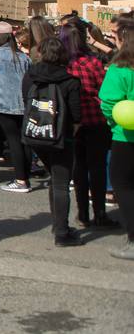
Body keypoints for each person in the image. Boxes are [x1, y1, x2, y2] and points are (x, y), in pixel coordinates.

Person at [21, 35, 83, 246]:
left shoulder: (30, 76)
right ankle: (62, 232)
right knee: (61, 183)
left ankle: (58, 224)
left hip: (35, 134)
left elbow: (25, 102)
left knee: (53, 178)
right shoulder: (70, 81)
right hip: (61, 136)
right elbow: (76, 115)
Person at [66, 23, 116, 230]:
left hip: (74, 123)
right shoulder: (92, 63)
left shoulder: (65, 65)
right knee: (96, 167)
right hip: (96, 119)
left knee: (80, 168)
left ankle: (83, 214)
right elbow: (103, 88)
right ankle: (100, 214)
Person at [0, 21, 33, 193]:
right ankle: (25, 175)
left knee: (13, 140)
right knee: (23, 140)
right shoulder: (24, 56)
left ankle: (20, 179)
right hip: (24, 101)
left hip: (2, 102)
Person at [98, 15, 134, 259]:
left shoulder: (119, 69)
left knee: (123, 186)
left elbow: (108, 102)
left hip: (125, 137)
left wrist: (112, 119)